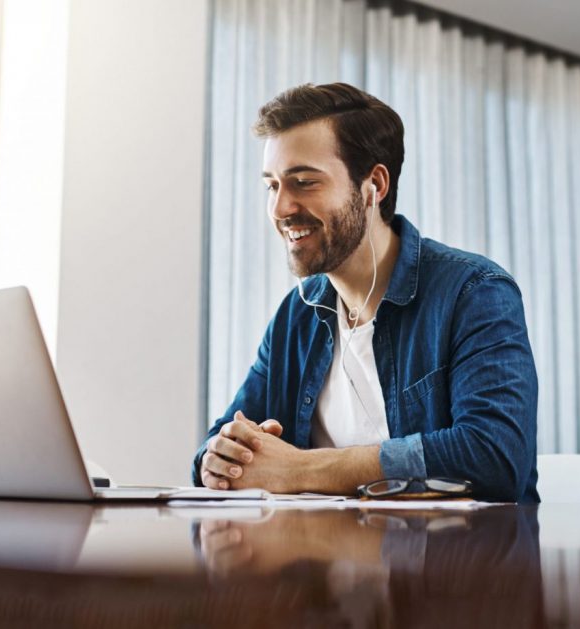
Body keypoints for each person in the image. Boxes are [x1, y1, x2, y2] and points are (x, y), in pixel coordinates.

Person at [193, 83, 538, 502]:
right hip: (320, 562)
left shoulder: (474, 293)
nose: (280, 208)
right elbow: (218, 446)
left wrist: (298, 468)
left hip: (450, 563)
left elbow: (495, 457)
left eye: (303, 181)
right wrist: (218, 457)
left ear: (374, 185)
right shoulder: (296, 316)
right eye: (272, 185)